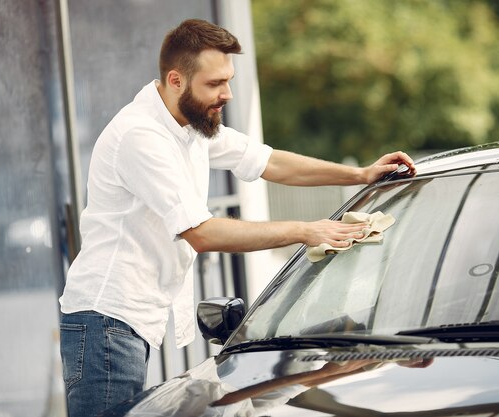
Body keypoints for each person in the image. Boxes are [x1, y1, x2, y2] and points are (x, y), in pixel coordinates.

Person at [58, 18, 416, 417]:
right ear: (176, 80)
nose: (226, 93)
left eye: (228, 80)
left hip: (126, 321)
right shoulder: (141, 137)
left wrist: (360, 174)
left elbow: (270, 162)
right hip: (105, 321)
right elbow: (203, 233)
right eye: (214, 84)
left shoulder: (189, 125)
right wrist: (306, 230)